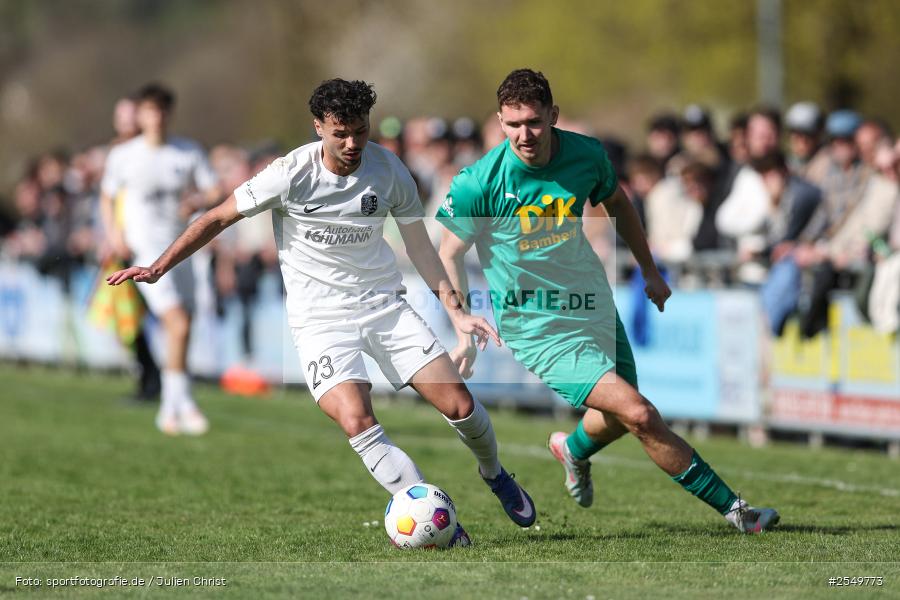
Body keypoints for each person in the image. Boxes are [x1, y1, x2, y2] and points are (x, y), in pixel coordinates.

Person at [107, 78, 537, 545]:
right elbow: (215, 217)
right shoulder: (288, 173)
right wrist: (158, 266)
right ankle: (442, 528)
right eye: (341, 133)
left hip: (383, 308)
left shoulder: (389, 170)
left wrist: (457, 314)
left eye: (361, 131)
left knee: (460, 404)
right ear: (319, 128)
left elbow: (421, 249)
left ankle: (495, 474)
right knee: (357, 419)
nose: (353, 143)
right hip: (320, 321)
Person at [436, 69, 779, 534]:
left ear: (553, 116)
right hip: (538, 329)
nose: (524, 134)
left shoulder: (586, 156)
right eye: (513, 124)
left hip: (592, 304)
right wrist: (459, 317)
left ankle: (572, 450)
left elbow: (618, 205)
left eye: (534, 122)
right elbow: (448, 252)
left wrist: (651, 271)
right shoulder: (479, 181)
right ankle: (741, 514)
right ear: (500, 122)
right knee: (639, 413)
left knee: (618, 418)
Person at [100, 83, 222, 435]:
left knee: (182, 326)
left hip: (180, 249)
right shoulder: (124, 155)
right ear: (141, 115)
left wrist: (196, 200)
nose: (158, 118)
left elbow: (214, 190)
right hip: (143, 252)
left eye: (163, 110)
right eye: (151, 110)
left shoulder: (187, 152)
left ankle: (173, 406)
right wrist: (114, 234)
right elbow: (107, 198)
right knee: (178, 321)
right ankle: (177, 403)